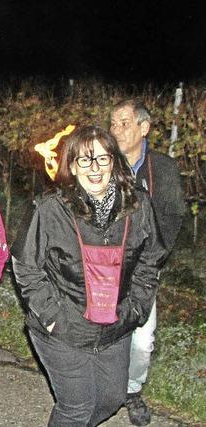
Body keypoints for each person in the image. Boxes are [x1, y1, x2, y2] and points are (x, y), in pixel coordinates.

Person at [11, 125, 166, 426]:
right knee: (77, 406)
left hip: (115, 325)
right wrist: (53, 314)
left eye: (102, 159)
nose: (94, 168)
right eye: (84, 160)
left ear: (114, 163)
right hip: (65, 329)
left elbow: (151, 257)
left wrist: (137, 307)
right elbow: (25, 264)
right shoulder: (50, 208)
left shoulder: (137, 205)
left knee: (111, 397)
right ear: (71, 165)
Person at [110, 100, 185, 426]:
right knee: (99, 332)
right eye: (113, 123)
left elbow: (172, 216)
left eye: (124, 123)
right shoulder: (100, 164)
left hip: (143, 269)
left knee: (142, 341)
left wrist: (153, 258)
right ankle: (100, 388)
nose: (116, 130)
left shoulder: (163, 169)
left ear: (144, 128)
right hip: (103, 266)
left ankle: (131, 389)